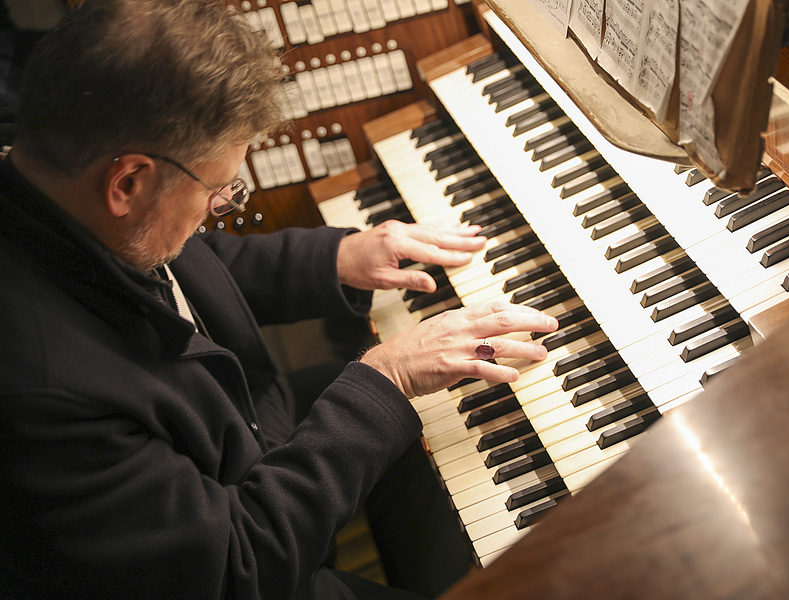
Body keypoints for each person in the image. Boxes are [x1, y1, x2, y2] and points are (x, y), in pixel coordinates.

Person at [0, 1, 558, 599]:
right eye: (218, 189)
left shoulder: (59, 188)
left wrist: (335, 258)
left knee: (444, 421)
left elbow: (184, 263)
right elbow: (235, 570)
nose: (221, 207)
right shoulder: (41, 395)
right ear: (129, 183)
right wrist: (387, 378)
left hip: (234, 427)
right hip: (241, 557)